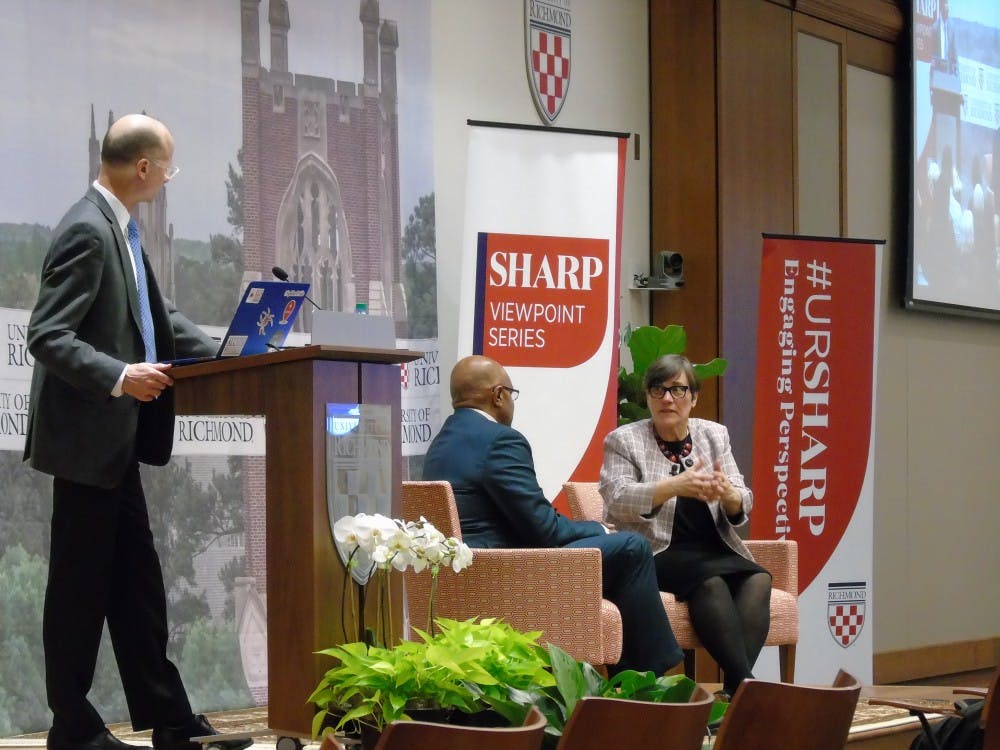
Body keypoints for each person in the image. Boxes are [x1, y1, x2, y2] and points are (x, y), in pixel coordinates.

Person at [24, 114, 250, 750]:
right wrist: (121, 376)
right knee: (78, 588)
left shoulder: (119, 229)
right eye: (168, 168)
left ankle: (171, 721)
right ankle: (71, 725)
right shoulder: (87, 232)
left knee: (137, 587)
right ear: (144, 169)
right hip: (87, 444)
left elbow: (160, 321)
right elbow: (46, 334)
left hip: (114, 446)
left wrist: (236, 355)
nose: (167, 179)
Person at [422, 354, 683, 675]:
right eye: (512, 396)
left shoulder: (440, 444)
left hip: (466, 576)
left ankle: (620, 685)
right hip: (505, 575)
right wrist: (600, 529)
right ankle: (645, 684)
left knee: (614, 561)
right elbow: (544, 531)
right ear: (498, 395)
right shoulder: (500, 440)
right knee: (631, 548)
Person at [600, 354, 771, 698]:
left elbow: (743, 497)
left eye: (677, 390)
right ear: (647, 396)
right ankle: (747, 689)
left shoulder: (714, 434)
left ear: (694, 397)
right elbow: (616, 498)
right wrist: (673, 486)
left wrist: (728, 495)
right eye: (658, 390)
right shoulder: (624, 440)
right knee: (710, 584)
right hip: (657, 552)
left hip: (714, 546)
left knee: (759, 579)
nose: (667, 399)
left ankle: (737, 688)